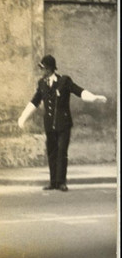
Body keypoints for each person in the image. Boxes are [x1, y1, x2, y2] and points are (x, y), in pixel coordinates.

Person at [18, 54, 107, 191]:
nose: (41, 71)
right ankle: (53, 182)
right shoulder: (42, 83)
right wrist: (23, 117)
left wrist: (93, 98)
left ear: (49, 69)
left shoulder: (64, 81)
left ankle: (61, 182)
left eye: (43, 68)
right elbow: (35, 101)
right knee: (52, 152)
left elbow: (78, 91)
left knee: (61, 152)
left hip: (64, 124)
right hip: (49, 125)